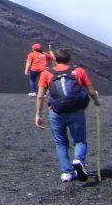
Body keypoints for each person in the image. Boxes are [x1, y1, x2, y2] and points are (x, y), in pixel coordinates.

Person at [34, 48, 101, 183]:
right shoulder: (78, 71)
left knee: (60, 142)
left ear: (54, 59)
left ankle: (67, 172)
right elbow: (91, 91)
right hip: (76, 111)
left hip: (56, 112)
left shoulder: (46, 73)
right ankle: (78, 160)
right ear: (69, 59)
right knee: (80, 140)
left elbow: (40, 96)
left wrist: (38, 115)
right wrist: (96, 102)